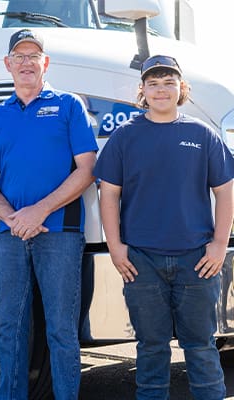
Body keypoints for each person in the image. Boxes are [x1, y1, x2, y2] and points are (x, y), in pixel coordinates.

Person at [94, 54, 234, 400]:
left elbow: (226, 191)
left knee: (201, 349)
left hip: (196, 262)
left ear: (181, 88)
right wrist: (115, 247)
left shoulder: (202, 135)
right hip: (142, 262)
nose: (161, 90)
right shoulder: (125, 137)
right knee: (151, 350)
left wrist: (220, 244)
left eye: (168, 82)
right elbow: (108, 195)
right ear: (142, 90)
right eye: (153, 84)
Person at [0, 29, 98, 399]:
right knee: (10, 326)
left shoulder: (69, 106)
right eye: (20, 56)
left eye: (34, 56)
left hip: (60, 233)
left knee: (61, 329)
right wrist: (15, 220)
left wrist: (38, 211)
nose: (27, 62)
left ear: (46, 63)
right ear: (8, 64)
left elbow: (87, 169)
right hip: (9, 236)